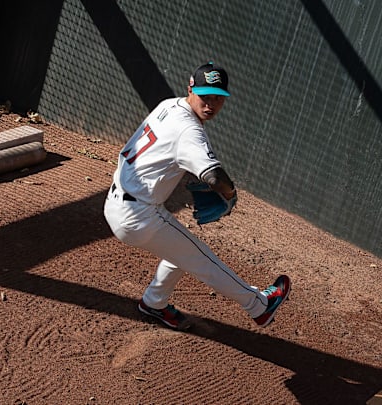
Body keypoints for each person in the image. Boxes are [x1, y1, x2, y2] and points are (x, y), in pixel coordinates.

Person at [103, 62, 290, 330]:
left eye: (217, 98)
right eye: (205, 96)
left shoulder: (168, 105)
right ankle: (260, 305)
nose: (210, 104)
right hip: (140, 216)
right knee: (203, 259)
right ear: (190, 88)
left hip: (117, 202)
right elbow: (215, 177)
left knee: (181, 249)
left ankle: (154, 302)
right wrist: (230, 194)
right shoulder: (189, 131)